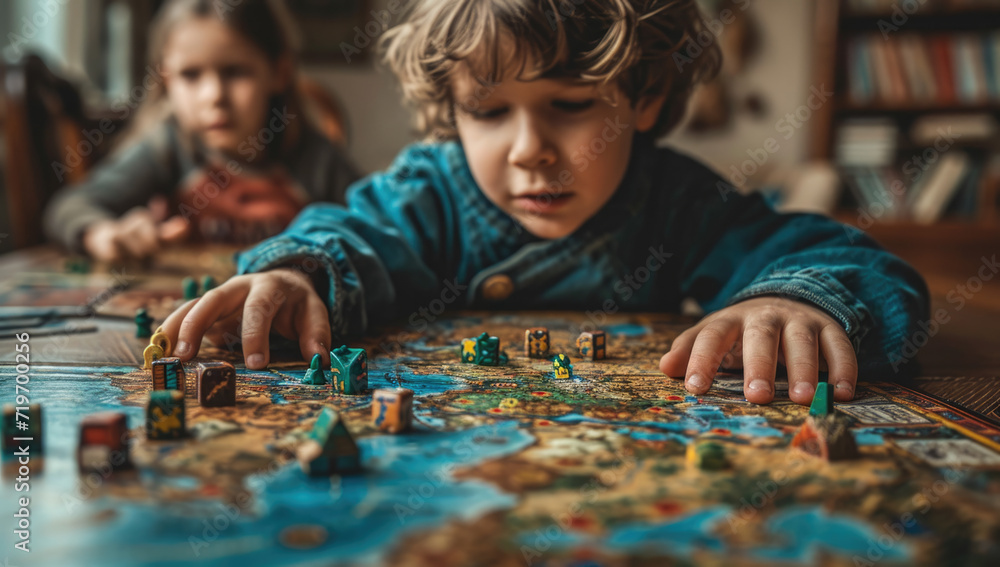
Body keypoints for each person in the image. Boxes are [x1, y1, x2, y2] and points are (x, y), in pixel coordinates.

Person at [161, 0, 930, 406]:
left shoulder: (678, 204)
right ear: (450, 111)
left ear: (646, 95)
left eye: (570, 103)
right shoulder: (430, 190)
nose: (529, 147)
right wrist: (296, 275)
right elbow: (346, 231)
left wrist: (797, 302)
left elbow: (849, 261)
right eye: (489, 113)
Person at [44, 0, 359, 262]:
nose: (214, 96)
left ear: (279, 72)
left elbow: (374, 229)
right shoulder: (167, 148)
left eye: (235, 72)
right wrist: (102, 235)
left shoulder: (318, 160)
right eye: (190, 75)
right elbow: (70, 206)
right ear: (167, 81)